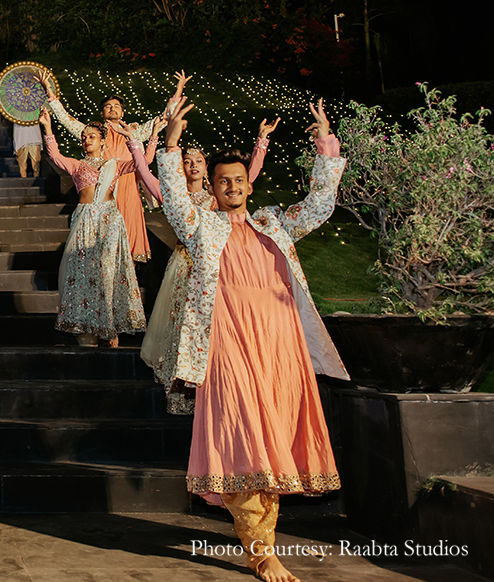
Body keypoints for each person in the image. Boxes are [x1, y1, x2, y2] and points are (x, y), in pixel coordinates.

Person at [157, 100, 348, 582]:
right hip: (227, 345)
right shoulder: (203, 227)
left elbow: (321, 205)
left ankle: (264, 542)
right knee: (244, 439)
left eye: (238, 179)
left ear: (249, 182)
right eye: (223, 181)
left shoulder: (274, 224)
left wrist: (325, 144)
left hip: (280, 349)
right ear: (215, 189)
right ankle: (262, 552)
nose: (232, 186)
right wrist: (172, 143)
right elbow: (177, 202)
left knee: (276, 442)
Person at [116, 116, 278, 410]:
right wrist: (134, 144)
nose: (193, 165)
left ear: (207, 169)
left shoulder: (216, 195)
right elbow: (143, 171)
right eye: (187, 160)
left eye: (199, 160)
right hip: (182, 266)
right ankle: (182, 389)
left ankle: (216, 386)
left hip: (215, 266)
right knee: (180, 323)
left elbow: (247, 178)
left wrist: (261, 143)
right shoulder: (172, 195)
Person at [41, 70, 191, 263]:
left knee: (128, 233)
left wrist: (178, 92)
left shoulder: (134, 131)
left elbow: (163, 119)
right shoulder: (94, 133)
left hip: (128, 185)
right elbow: (66, 120)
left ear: (123, 111)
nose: (112, 109)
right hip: (102, 186)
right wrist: (51, 95)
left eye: (116, 106)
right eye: (107, 106)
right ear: (102, 112)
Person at [38, 107, 145, 347]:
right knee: (82, 271)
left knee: (107, 272)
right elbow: (54, 156)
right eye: (84, 137)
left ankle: (110, 327)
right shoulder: (76, 165)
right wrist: (47, 128)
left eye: (91, 136)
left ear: (103, 141)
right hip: (85, 219)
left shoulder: (115, 165)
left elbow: (142, 163)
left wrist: (133, 140)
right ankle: (86, 326)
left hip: (109, 220)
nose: (86, 140)